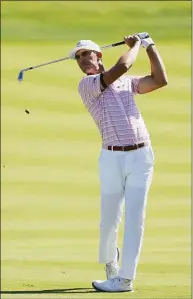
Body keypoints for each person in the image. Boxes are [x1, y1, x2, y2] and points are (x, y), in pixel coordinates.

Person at [69, 33, 168, 292]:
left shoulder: (127, 84)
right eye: (78, 58)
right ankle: (110, 264)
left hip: (141, 156)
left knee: (136, 217)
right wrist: (135, 45)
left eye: (85, 54)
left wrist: (149, 46)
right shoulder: (87, 85)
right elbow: (123, 65)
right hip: (112, 157)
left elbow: (160, 80)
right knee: (110, 219)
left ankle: (125, 279)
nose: (81, 61)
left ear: (98, 55)